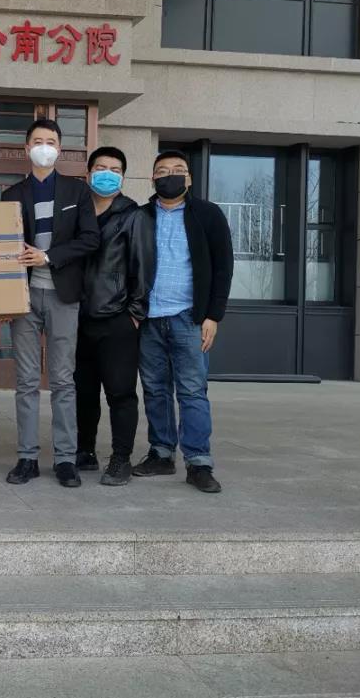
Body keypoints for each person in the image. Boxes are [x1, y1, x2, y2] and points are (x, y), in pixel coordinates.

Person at [1, 119, 100, 487]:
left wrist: (47, 257)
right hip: (23, 298)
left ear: (60, 148)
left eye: (51, 141)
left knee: (62, 380)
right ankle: (27, 457)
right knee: (26, 381)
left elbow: (90, 239)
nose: (44, 147)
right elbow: (2, 246)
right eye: (38, 141)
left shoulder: (77, 191)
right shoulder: (11, 194)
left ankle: (65, 459)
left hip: (63, 295)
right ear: (27, 148)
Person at [134, 149, 233, 493]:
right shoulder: (141, 216)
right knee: (155, 389)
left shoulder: (208, 214)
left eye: (178, 170)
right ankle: (161, 453)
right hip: (149, 319)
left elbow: (223, 267)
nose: (170, 175)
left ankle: (199, 462)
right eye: (163, 170)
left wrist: (213, 316)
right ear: (153, 178)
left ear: (188, 178)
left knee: (192, 390)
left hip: (189, 318)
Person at [73, 146, 154, 486]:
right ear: (89, 173)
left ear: (123, 177)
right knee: (83, 390)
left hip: (117, 318)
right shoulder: (76, 211)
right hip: (77, 316)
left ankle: (121, 458)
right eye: (101, 167)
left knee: (120, 392)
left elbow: (144, 267)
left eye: (115, 169)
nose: (107, 174)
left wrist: (134, 313)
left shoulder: (133, 215)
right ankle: (84, 450)